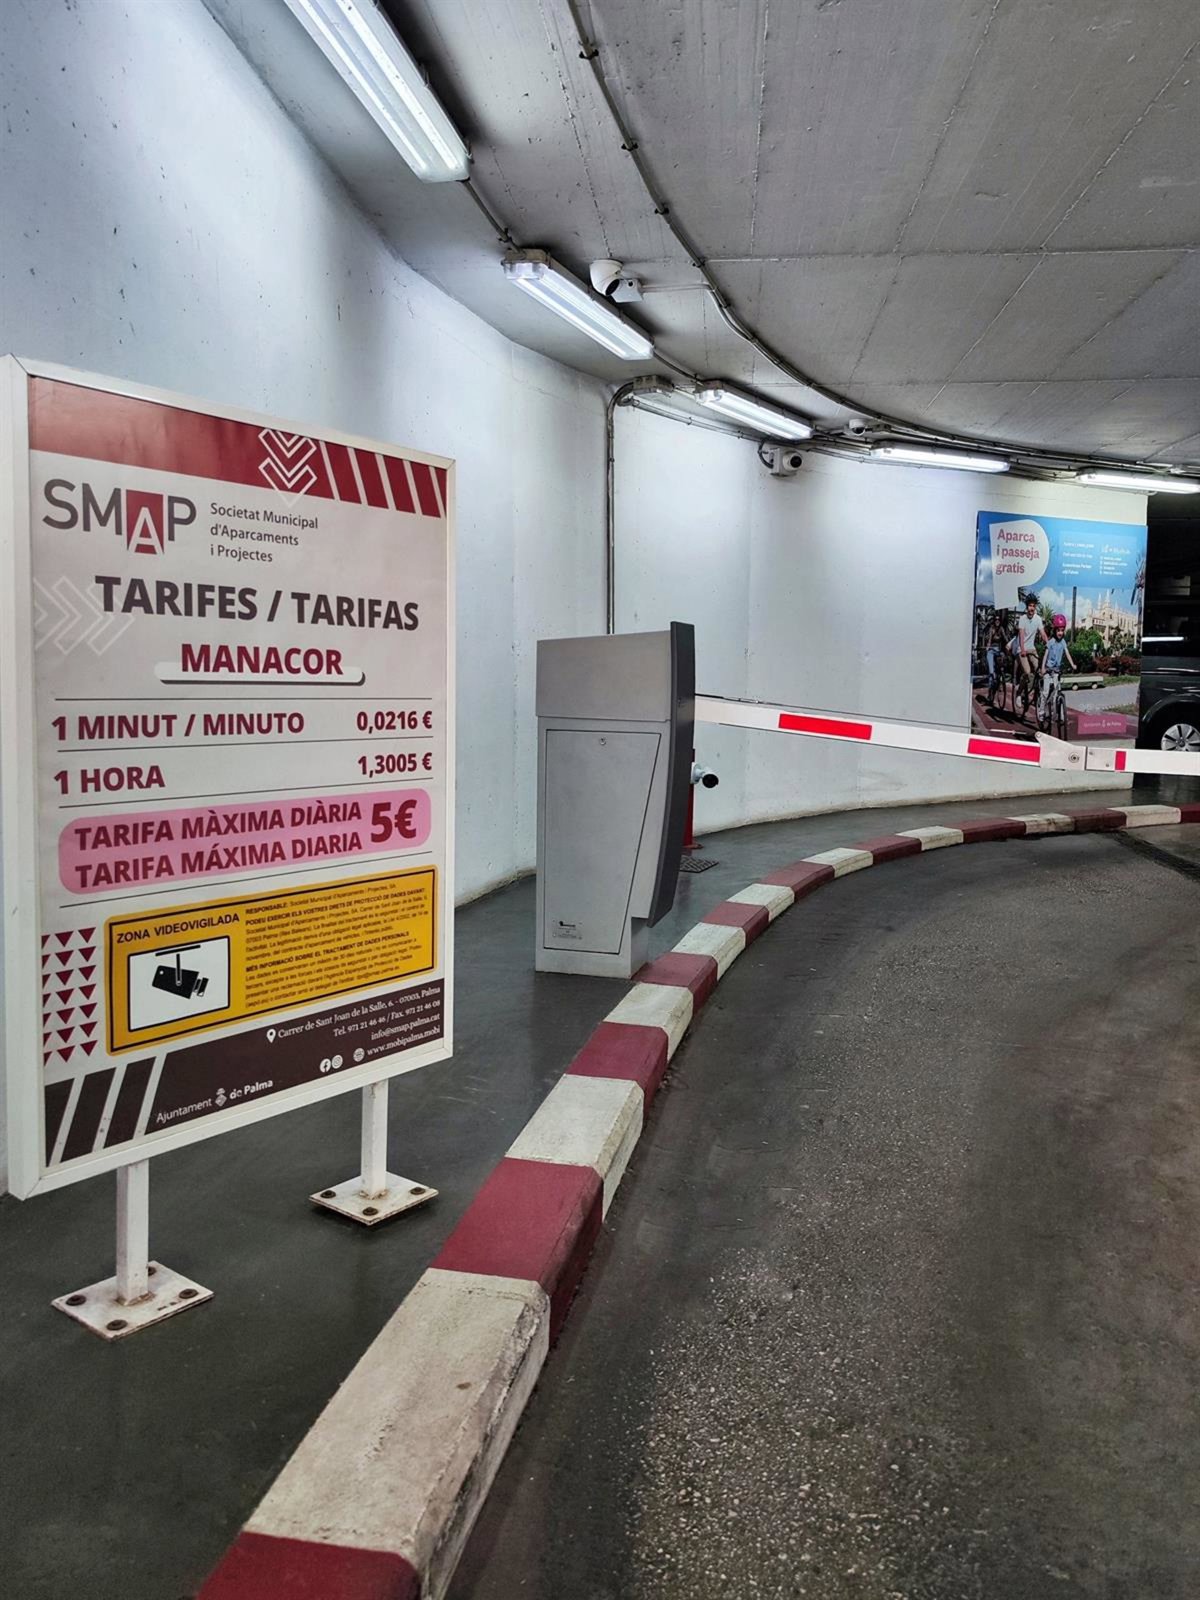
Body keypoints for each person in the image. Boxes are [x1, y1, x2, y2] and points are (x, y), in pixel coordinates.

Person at [1038, 615, 1077, 721]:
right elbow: (1045, 655)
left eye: (1062, 630)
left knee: (1056, 693)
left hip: (1056, 670)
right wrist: (1043, 668)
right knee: (1046, 692)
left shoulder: (1063, 642)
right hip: (1048, 670)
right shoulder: (1050, 642)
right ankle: (1041, 711)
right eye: (1058, 630)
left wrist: (1072, 664)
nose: (1060, 632)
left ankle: (1057, 713)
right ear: (1055, 630)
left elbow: (1067, 653)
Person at [1015, 593, 1048, 712]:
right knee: (1027, 672)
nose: (1032, 608)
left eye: (1033, 606)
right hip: (1022, 649)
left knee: (1040, 670)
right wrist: (1022, 649)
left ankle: (1036, 693)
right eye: (1030, 606)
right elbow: (1021, 635)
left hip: (1032, 649)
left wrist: (1048, 644)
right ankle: (1018, 693)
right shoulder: (1022, 619)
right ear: (1027, 606)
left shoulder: (1038, 619)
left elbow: (1043, 633)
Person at [983, 610, 1009, 694]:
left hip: (998, 651)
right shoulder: (991, 629)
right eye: (996, 619)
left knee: (1003, 663)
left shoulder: (1001, 629)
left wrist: (1009, 644)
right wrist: (988, 646)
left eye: (998, 620)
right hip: (991, 650)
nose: (997, 621)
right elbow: (989, 639)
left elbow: (1005, 638)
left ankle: (1000, 680)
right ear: (994, 621)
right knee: (991, 671)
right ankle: (990, 691)